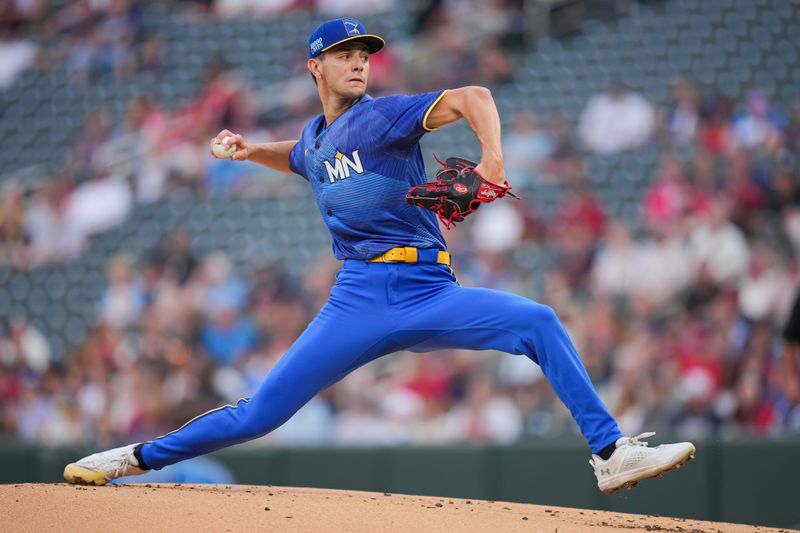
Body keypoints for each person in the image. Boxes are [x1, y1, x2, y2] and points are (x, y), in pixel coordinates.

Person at [63, 17, 695, 494]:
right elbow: (303, 156)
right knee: (260, 414)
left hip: (429, 292)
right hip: (359, 299)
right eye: (344, 53)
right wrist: (247, 149)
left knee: (538, 321)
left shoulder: (386, 117)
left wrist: (494, 158)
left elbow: (473, 95)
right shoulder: (316, 138)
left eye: (364, 53)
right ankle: (133, 458)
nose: (359, 61)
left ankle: (610, 454)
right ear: (315, 66)